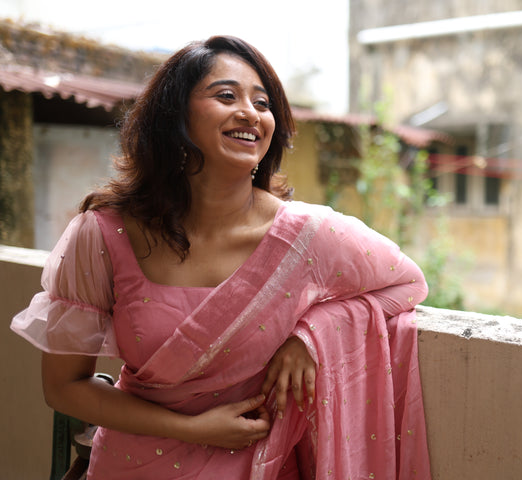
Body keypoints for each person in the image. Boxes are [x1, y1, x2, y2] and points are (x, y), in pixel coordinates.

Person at [11, 35, 430, 479]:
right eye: (226, 96)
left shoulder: (307, 236)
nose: (250, 112)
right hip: (131, 465)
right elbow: (64, 388)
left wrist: (311, 334)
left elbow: (407, 284)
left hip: (258, 467)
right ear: (174, 117)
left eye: (262, 103)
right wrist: (191, 429)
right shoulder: (104, 233)